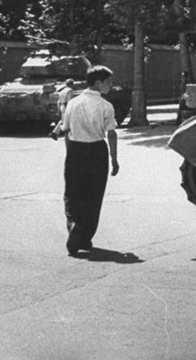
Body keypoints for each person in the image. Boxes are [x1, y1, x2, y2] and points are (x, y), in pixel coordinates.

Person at [49, 65, 120, 258]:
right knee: (94, 196)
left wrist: (58, 134)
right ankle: (85, 237)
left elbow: (65, 128)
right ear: (98, 83)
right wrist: (114, 159)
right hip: (97, 151)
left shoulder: (73, 103)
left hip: (75, 150)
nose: (111, 85)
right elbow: (111, 134)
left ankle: (74, 225)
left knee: (72, 193)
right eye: (108, 82)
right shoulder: (106, 106)